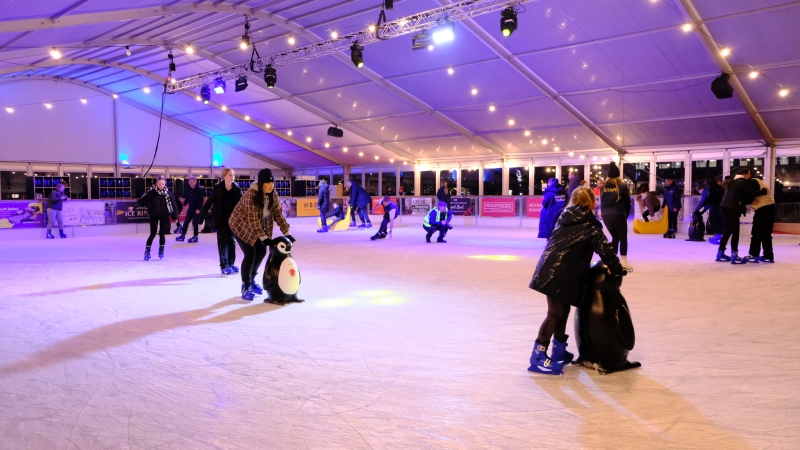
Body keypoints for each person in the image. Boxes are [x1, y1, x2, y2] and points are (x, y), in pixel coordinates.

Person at [527, 187, 624, 375]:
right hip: (560, 273)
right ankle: (537, 356)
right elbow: (605, 249)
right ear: (592, 203)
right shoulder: (591, 224)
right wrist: (617, 268)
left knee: (563, 310)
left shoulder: (564, 217)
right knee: (555, 313)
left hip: (551, 269)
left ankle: (559, 350)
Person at [229, 168, 294, 301]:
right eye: (268, 183)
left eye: (273, 183)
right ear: (261, 183)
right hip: (241, 226)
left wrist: (287, 233)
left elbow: (278, 214)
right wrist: (264, 237)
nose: (271, 185)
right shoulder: (250, 195)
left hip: (258, 226)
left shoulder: (273, 194)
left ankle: (252, 279)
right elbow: (252, 221)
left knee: (261, 252)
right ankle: (246, 285)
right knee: (250, 254)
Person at [716, 168, 766, 264]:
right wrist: (763, 191)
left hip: (724, 207)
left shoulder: (733, 181)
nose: (750, 176)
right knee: (735, 232)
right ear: (744, 174)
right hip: (731, 209)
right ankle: (734, 255)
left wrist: (750, 201)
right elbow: (751, 192)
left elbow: (741, 195)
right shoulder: (741, 181)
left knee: (727, 232)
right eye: (749, 174)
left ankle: (720, 253)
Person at [199, 168, 242, 275]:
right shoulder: (218, 188)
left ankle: (231, 263)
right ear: (224, 176)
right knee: (223, 241)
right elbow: (208, 203)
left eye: (233, 175)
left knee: (232, 241)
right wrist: (200, 218)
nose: (232, 177)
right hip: (220, 219)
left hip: (233, 220)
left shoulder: (236, 189)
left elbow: (243, 204)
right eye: (230, 175)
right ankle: (224, 265)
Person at [129, 176, 180, 260]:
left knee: (162, 234)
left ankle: (161, 250)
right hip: (154, 215)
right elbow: (142, 200)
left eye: (162, 184)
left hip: (164, 215)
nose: (161, 185)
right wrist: (133, 206)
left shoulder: (168, 194)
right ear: (156, 184)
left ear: (165, 184)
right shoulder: (152, 193)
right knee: (153, 234)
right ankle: (147, 251)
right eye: (159, 184)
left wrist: (176, 216)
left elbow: (174, 205)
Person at [600, 162, 633, 271]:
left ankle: (613, 262)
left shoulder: (603, 187)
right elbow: (628, 203)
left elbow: (602, 201)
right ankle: (623, 261)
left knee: (615, 237)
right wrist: (625, 215)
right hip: (618, 214)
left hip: (606, 215)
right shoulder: (622, 185)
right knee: (622, 238)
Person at [746, 176, 775, 263]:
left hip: (762, 208)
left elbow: (750, 193)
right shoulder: (760, 181)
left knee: (756, 233)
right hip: (771, 207)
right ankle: (768, 256)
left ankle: (754, 255)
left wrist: (749, 200)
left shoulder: (751, 181)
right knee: (766, 233)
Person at [694, 176, 724, 244]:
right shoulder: (719, 187)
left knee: (715, 222)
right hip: (719, 207)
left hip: (715, 207)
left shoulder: (710, 189)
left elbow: (706, 200)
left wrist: (698, 210)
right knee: (718, 222)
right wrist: (703, 210)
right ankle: (718, 235)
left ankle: (719, 236)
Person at [175, 176, 205, 243]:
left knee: (195, 223)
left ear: (195, 182)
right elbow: (187, 197)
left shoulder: (199, 190)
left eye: (192, 182)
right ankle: (182, 235)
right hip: (191, 208)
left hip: (197, 209)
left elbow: (201, 200)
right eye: (189, 182)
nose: (190, 183)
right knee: (186, 222)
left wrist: (198, 209)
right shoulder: (188, 189)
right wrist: (184, 204)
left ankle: (195, 236)